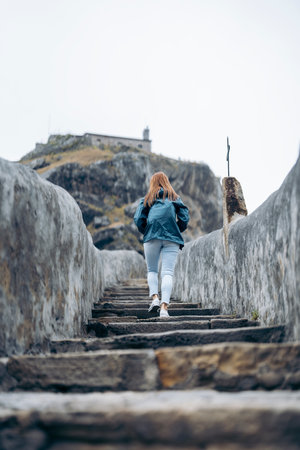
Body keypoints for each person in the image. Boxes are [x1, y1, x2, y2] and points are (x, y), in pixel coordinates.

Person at [134, 171, 189, 318]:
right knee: (167, 272)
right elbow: (184, 217)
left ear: (152, 183)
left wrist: (147, 231)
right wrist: (176, 229)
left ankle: (155, 299)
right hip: (172, 237)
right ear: (167, 182)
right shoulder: (175, 198)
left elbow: (139, 218)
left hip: (152, 235)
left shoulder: (147, 199)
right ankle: (164, 309)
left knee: (152, 270)